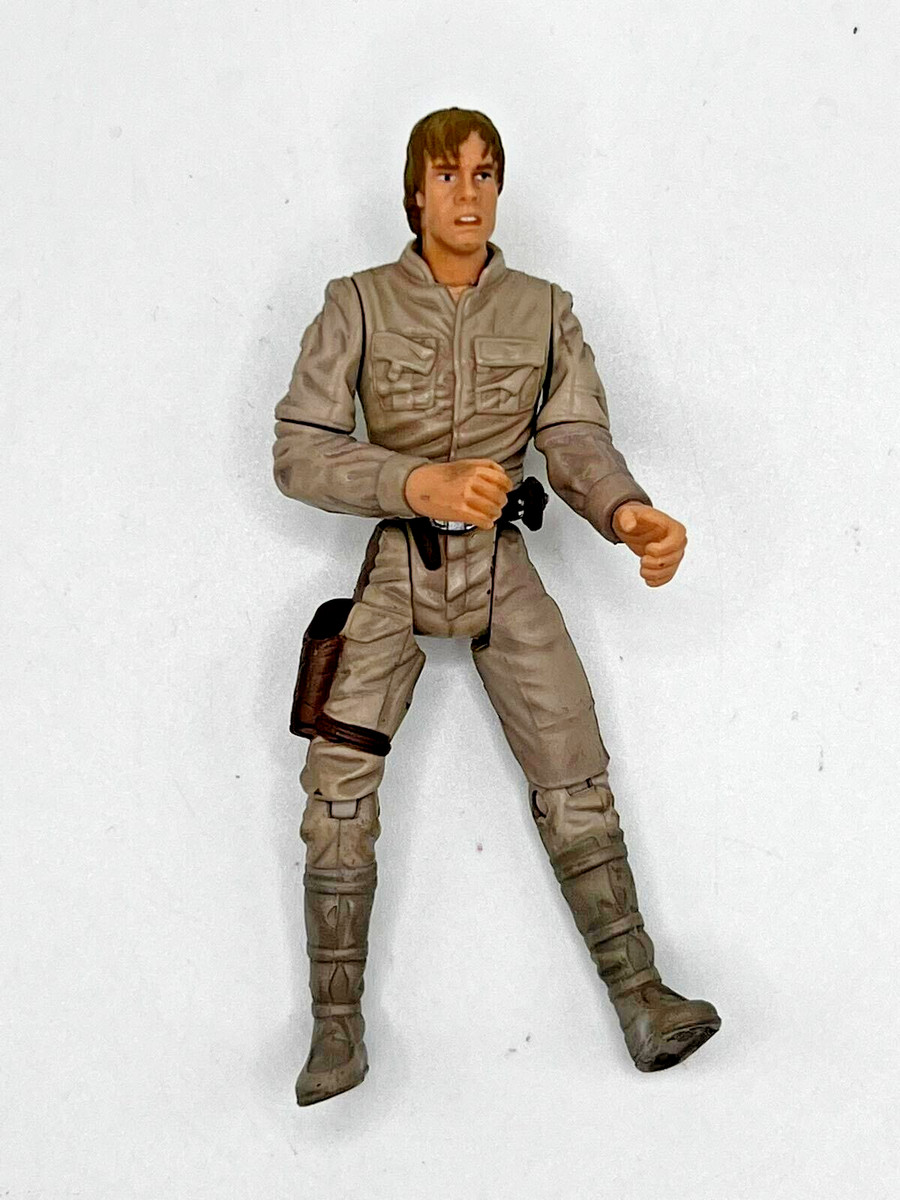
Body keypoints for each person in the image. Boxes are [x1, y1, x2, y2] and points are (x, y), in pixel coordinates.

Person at [273, 107, 720, 1106]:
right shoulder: (356, 304)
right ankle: (335, 1031)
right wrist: (412, 483)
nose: (467, 193)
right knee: (337, 788)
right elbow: (299, 448)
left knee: (576, 771)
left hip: (501, 567)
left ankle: (642, 996)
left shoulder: (544, 309)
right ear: (415, 192)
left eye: (485, 173)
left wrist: (628, 513)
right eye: (448, 174)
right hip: (399, 564)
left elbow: (575, 438)